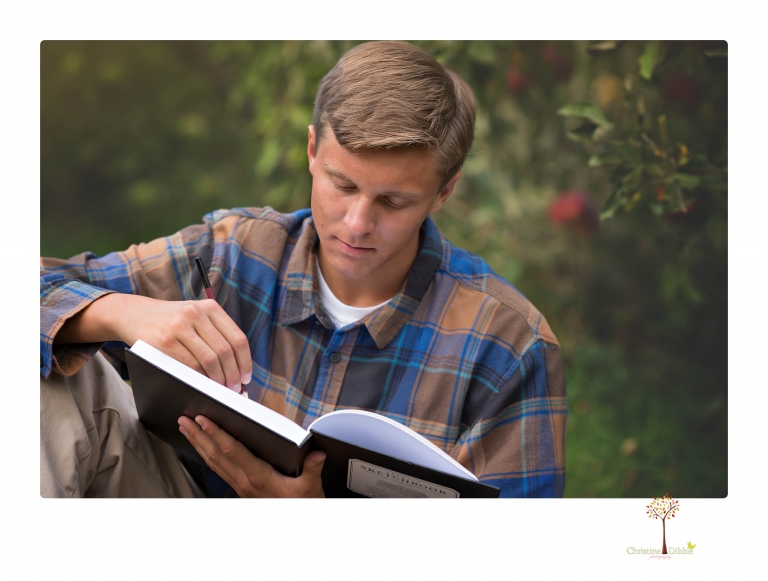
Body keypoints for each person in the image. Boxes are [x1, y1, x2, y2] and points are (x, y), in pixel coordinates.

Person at [40, 41, 567, 498]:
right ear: (313, 150)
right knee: (44, 380)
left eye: (393, 201)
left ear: (443, 192)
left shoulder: (507, 343)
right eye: (342, 185)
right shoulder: (232, 251)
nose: (358, 224)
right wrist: (116, 313)